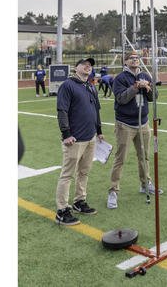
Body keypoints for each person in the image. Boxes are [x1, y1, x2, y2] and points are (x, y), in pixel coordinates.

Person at [107, 52, 161, 209]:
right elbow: (121, 99)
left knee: (144, 156)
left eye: (137, 58)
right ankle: (113, 191)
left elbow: (154, 97)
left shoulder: (145, 75)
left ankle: (145, 184)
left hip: (143, 123)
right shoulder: (120, 78)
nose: (135, 60)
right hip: (125, 124)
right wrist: (135, 87)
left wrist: (148, 88)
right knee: (120, 158)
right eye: (131, 58)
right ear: (125, 62)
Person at [54, 57, 104, 226]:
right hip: (74, 139)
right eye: (85, 65)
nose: (88, 67)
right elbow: (62, 110)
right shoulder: (67, 86)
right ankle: (62, 209)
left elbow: (95, 110)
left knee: (84, 172)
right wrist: (66, 133)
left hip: (90, 138)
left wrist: (99, 131)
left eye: (90, 66)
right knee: (67, 174)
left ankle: (79, 201)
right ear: (76, 68)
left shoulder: (90, 86)